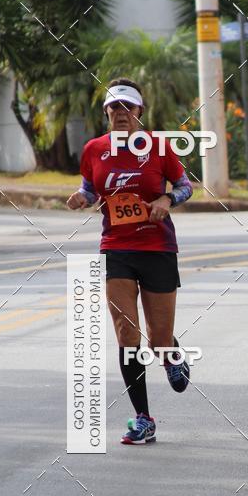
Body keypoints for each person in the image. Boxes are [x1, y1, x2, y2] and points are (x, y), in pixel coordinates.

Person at [67, 78, 193, 445]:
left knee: (158, 339)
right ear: (106, 112)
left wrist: (167, 200)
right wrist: (81, 197)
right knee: (126, 333)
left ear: (139, 112)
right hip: (116, 248)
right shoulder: (94, 149)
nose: (121, 113)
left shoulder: (158, 147)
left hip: (157, 247)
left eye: (128, 107)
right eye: (114, 107)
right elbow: (90, 189)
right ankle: (143, 418)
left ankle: (170, 353)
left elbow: (185, 186)